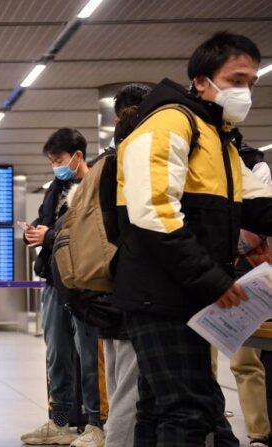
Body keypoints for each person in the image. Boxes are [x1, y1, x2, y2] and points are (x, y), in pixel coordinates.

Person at [115, 32, 272, 445]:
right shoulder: (170, 123)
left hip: (184, 296)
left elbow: (258, 205)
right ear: (202, 81)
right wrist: (213, 281)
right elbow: (153, 214)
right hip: (161, 297)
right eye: (236, 80)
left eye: (252, 83)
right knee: (190, 412)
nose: (245, 92)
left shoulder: (218, 139)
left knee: (159, 409)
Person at [21, 128, 107, 447]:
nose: (55, 166)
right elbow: (53, 227)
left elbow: (89, 234)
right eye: (51, 161)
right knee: (57, 353)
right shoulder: (56, 188)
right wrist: (38, 234)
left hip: (85, 283)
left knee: (88, 355)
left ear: (77, 156)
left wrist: (49, 236)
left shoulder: (97, 185)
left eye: (58, 160)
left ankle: (95, 424)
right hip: (55, 280)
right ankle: (60, 421)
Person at [100, 82, 152, 447]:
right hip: (145, 290)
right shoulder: (140, 159)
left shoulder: (105, 164)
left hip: (111, 289)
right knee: (133, 390)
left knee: (120, 381)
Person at [230, 143, 272, 447]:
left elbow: (256, 230)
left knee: (247, 359)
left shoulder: (255, 168)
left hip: (252, 271)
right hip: (218, 273)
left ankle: (260, 431)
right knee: (214, 358)